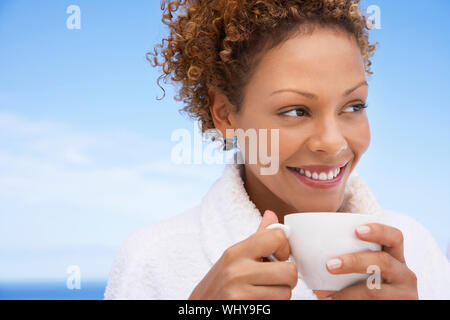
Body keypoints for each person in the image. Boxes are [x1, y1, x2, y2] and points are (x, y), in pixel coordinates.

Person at [104, 0, 450, 300]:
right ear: (225, 114)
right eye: (296, 111)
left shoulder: (417, 250)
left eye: (354, 106)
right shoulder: (154, 260)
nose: (333, 142)